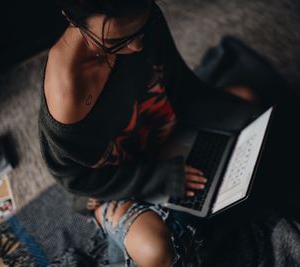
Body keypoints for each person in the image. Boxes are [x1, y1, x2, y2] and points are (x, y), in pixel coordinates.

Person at [38, 0, 261, 266]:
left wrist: (244, 117)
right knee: (156, 250)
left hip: (158, 132)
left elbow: (181, 86)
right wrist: (158, 177)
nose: (138, 47)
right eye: (117, 41)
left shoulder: (144, 16)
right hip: (111, 181)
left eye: (140, 31)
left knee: (249, 103)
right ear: (71, 17)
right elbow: (79, 181)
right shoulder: (66, 99)